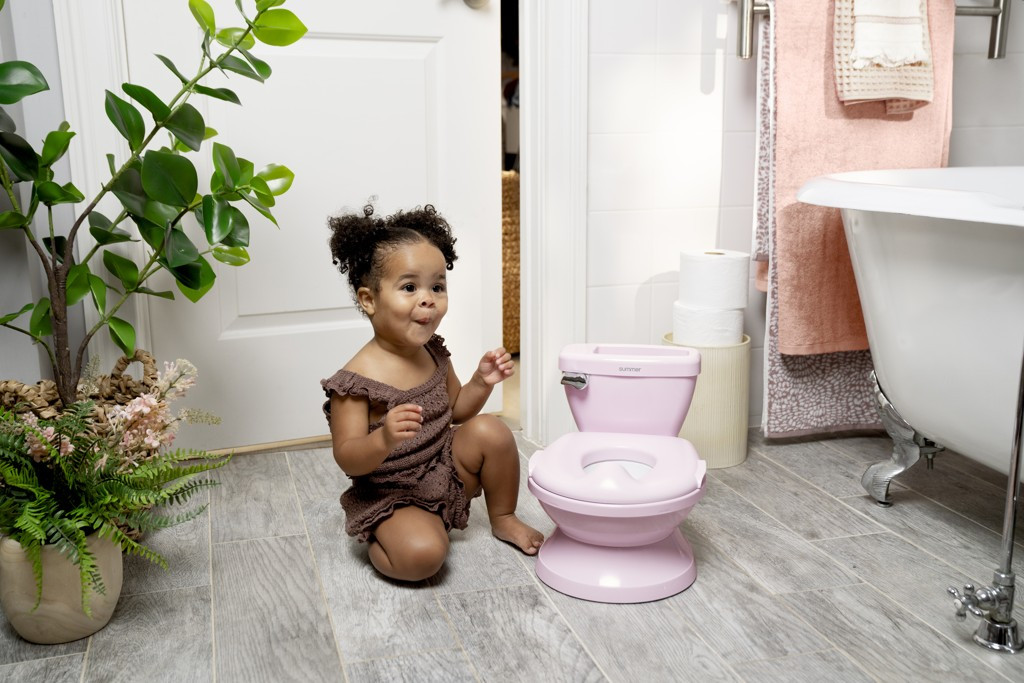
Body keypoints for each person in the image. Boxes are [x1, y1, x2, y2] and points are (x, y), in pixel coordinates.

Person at [321, 203, 544, 582]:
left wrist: (480, 382)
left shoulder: (431, 351)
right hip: (394, 493)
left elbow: (457, 410)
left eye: (437, 287)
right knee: (423, 558)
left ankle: (503, 516)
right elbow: (348, 458)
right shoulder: (355, 382)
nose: (428, 298)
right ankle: (384, 534)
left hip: (444, 468)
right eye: (410, 287)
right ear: (369, 300)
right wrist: (384, 438)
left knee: (492, 431)